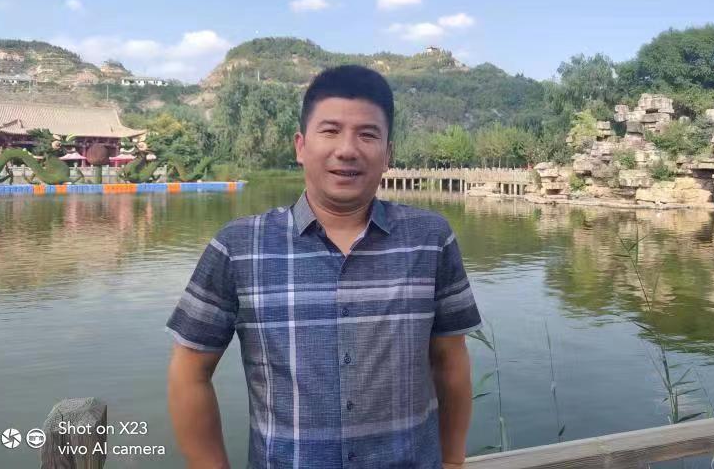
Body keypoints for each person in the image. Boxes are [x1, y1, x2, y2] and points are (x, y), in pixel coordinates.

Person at [166, 65, 482, 469]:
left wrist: (452, 460)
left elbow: (451, 360)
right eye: (330, 131)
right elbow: (190, 372)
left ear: (388, 154)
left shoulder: (430, 239)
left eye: (367, 134)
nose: (347, 149)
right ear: (301, 146)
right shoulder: (239, 247)